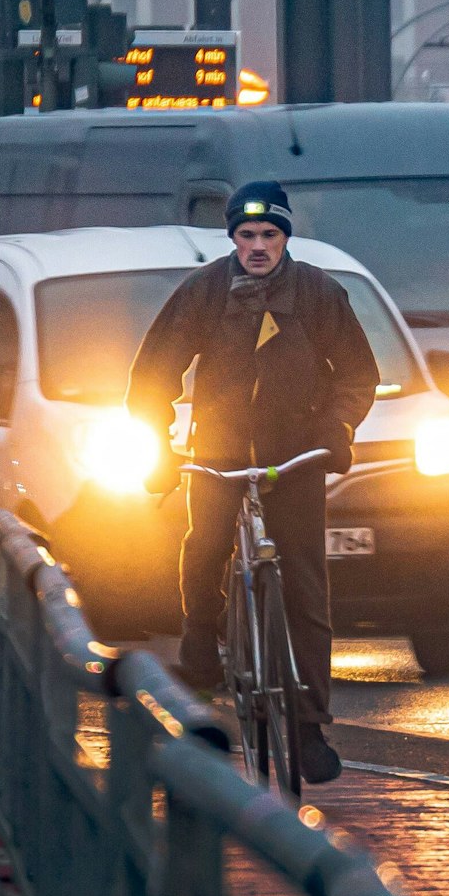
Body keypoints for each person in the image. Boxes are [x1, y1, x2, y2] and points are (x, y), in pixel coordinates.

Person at [127, 181, 379, 784]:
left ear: (285, 238)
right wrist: (159, 446)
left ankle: (310, 726)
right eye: (247, 235)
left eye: (269, 235)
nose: (258, 246)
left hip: (295, 458)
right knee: (204, 550)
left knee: (306, 587)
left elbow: (358, 375)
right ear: (232, 238)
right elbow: (152, 374)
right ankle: (200, 653)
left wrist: (335, 430)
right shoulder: (204, 293)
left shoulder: (319, 294)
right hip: (217, 451)